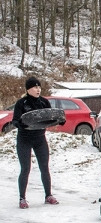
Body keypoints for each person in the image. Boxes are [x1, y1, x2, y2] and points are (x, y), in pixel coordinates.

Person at [13, 77, 57, 208]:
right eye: (35, 87)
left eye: (39, 87)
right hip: (24, 139)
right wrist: (19, 124)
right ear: (28, 89)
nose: (38, 90)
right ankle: (22, 198)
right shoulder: (21, 103)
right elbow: (15, 120)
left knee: (45, 167)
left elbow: (51, 118)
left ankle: (48, 195)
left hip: (40, 138)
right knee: (26, 168)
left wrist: (59, 121)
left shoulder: (44, 102)